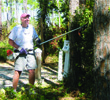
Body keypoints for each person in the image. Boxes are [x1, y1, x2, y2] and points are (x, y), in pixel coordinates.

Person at [8, 13, 41, 92]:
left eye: (28, 18)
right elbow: (10, 41)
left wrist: (37, 40)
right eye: (25, 18)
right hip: (20, 53)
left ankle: (31, 90)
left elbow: (36, 37)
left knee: (32, 71)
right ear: (21, 19)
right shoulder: (16, 29)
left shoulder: (31, 28)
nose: (27, 19)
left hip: (30, 52)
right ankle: (14, 90)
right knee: (17, 71)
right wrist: (19, 48)